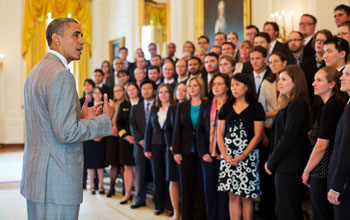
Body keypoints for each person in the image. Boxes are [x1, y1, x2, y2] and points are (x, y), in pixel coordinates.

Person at [21, 17, 114, 220]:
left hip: (37, 178)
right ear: (57, 39)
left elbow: (49, 122)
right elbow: (66, 132)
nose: (82, 41)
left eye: (82, 35)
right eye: (76, 35)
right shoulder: (61, 75)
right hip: (58, 180)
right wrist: (104, 119)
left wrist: (81, 117)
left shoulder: (35, 72)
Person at [217, 73, 265, 220]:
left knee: (246, 196)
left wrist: (243, 155)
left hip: (248, 156)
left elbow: (258, 136)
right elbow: (220, 134)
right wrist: (225, 155)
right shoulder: (226, 107)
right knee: (232, 195)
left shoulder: (256, 107)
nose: (234, 88)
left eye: (237, 84)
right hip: (229, 156)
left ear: (246, 86)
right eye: (232, 85)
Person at [265, 65, 310, 220]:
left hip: (290, 167)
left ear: (295, 82)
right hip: (285, 166)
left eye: (284, 79)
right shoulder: (290, 104)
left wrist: (271, 161)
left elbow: (288, 137)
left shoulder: (297, 104)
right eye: (279, 79)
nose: (280, 83)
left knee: (288, 212)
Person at [302, 67, 346, 220]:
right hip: (327, 169)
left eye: (318, 80)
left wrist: (306, 170)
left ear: (331, 84)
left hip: (322, 170)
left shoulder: (331, 106)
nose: (313, 83)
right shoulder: (330, 105)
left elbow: (321, 146)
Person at [258, 52, 287, 220]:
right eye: (271, 62)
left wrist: (276, 114)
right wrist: (276, 113)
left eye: (277, 61)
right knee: (267, 176)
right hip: (269, 132)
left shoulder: (291, 82)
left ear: (284, 62)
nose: (273, 64)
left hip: (286, 132)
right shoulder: (267, 84)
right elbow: (261, 111)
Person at [173, 76, 207, 220]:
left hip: (202, 152)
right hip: (185, 151)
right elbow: (177, 130)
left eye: (195, 85)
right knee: (186, 188)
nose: (192, 88)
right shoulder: (182, 106)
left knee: (201, 188)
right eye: (190, 86)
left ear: (201, 87)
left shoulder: (208, 104)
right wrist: (176, 151)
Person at [198, 74, 231, 220]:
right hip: (208, 155)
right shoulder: (206, 105)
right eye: (214, 84)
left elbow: (232, 132)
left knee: (223, 194)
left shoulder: (231, 105)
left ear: (227, 86)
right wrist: (204, 152)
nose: (216, 87)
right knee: (209, 191)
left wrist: (223, 152)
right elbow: (199, 130)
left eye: (219, 84)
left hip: (225, 156)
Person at [144, 84, 174, 215]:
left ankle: (169, 206)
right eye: (161, 92)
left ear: (170, 93)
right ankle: (158, 204)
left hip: (170, 146)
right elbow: (148, 129)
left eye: (166, 92)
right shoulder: (154, 108)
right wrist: (146, 148)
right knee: (157, 176)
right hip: (155, 146)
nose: (163, 94)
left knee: (169, 176)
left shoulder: (174, 108)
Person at [327, 64, 350, 219]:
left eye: (347, 74)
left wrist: (337, 186)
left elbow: (346, 149)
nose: (341, 77)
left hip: (346, 185)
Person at [129, 79, 156, 209]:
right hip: (140, 147)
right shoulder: (136, 108)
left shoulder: (158, 105)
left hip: (156, 145)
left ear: (154, 91)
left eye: (149, 88)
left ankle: (158, 201)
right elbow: (133, 126)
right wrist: (141, 140)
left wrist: (151, 140)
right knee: (140, 174)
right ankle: (140, 199)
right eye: (143, 88)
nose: (146, 91)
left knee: (157, 174)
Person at [164, 82, 187, 220]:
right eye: (179, 90)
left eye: (184, 90)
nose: (181, 92)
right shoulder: (172, 108)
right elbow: (167, 129)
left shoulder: (191, 106)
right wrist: (172, 146)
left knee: (185, 181)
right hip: (172, 149)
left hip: (186, 150)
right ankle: (176, 211)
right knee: (173, 180)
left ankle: (186, 210)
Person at [116, 82, 140, 204]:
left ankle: (137, 194)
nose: (131, 92)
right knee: (128, 168)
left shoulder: (141, 104)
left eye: (133, 89)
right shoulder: (124, 105)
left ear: (137, 90)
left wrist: (138, 137)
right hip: (126, 142)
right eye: (128, 90)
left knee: (137, 168)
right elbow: (118, 123)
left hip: (139, 141)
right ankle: (127, 193)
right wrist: (125, 136)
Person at [84, 87, 109, 195]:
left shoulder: (105, 106)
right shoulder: (88, 105)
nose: (97, 94)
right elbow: (84, 120)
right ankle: (92, 186)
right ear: (92, 94)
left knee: (100, 163)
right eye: (95, 92)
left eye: (99, 92)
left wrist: (100, 135)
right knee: (90, 163)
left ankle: (101, 185)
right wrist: (92, 135)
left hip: (101, 137)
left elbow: (108, 120)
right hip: (89, 137)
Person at [105, 85, 127, 197]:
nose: (117, 92)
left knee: (123, 164)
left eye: (119, 90)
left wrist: (121, 130)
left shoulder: (128, 104)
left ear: (124, 91)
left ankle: (125, 188)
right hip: (112, 136)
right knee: (114, 164)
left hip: (124, 137)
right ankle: (111, 188)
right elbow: (105, 118)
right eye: (115, 91)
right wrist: (111, 128)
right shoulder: (110, 104)